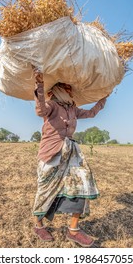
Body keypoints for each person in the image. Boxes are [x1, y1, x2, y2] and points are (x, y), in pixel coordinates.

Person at [32, 67, 107, 247]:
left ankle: (73, 229)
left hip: (71, 153)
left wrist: (103, 99)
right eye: (67, 89)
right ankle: (38, 225)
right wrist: (39, 84)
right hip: (51, 153)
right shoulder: (52, 106)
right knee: (45, 189)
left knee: (82, 183)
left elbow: (91, 113)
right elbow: (40, 110)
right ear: (58, 90)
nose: (70, 92)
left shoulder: (73, 109)